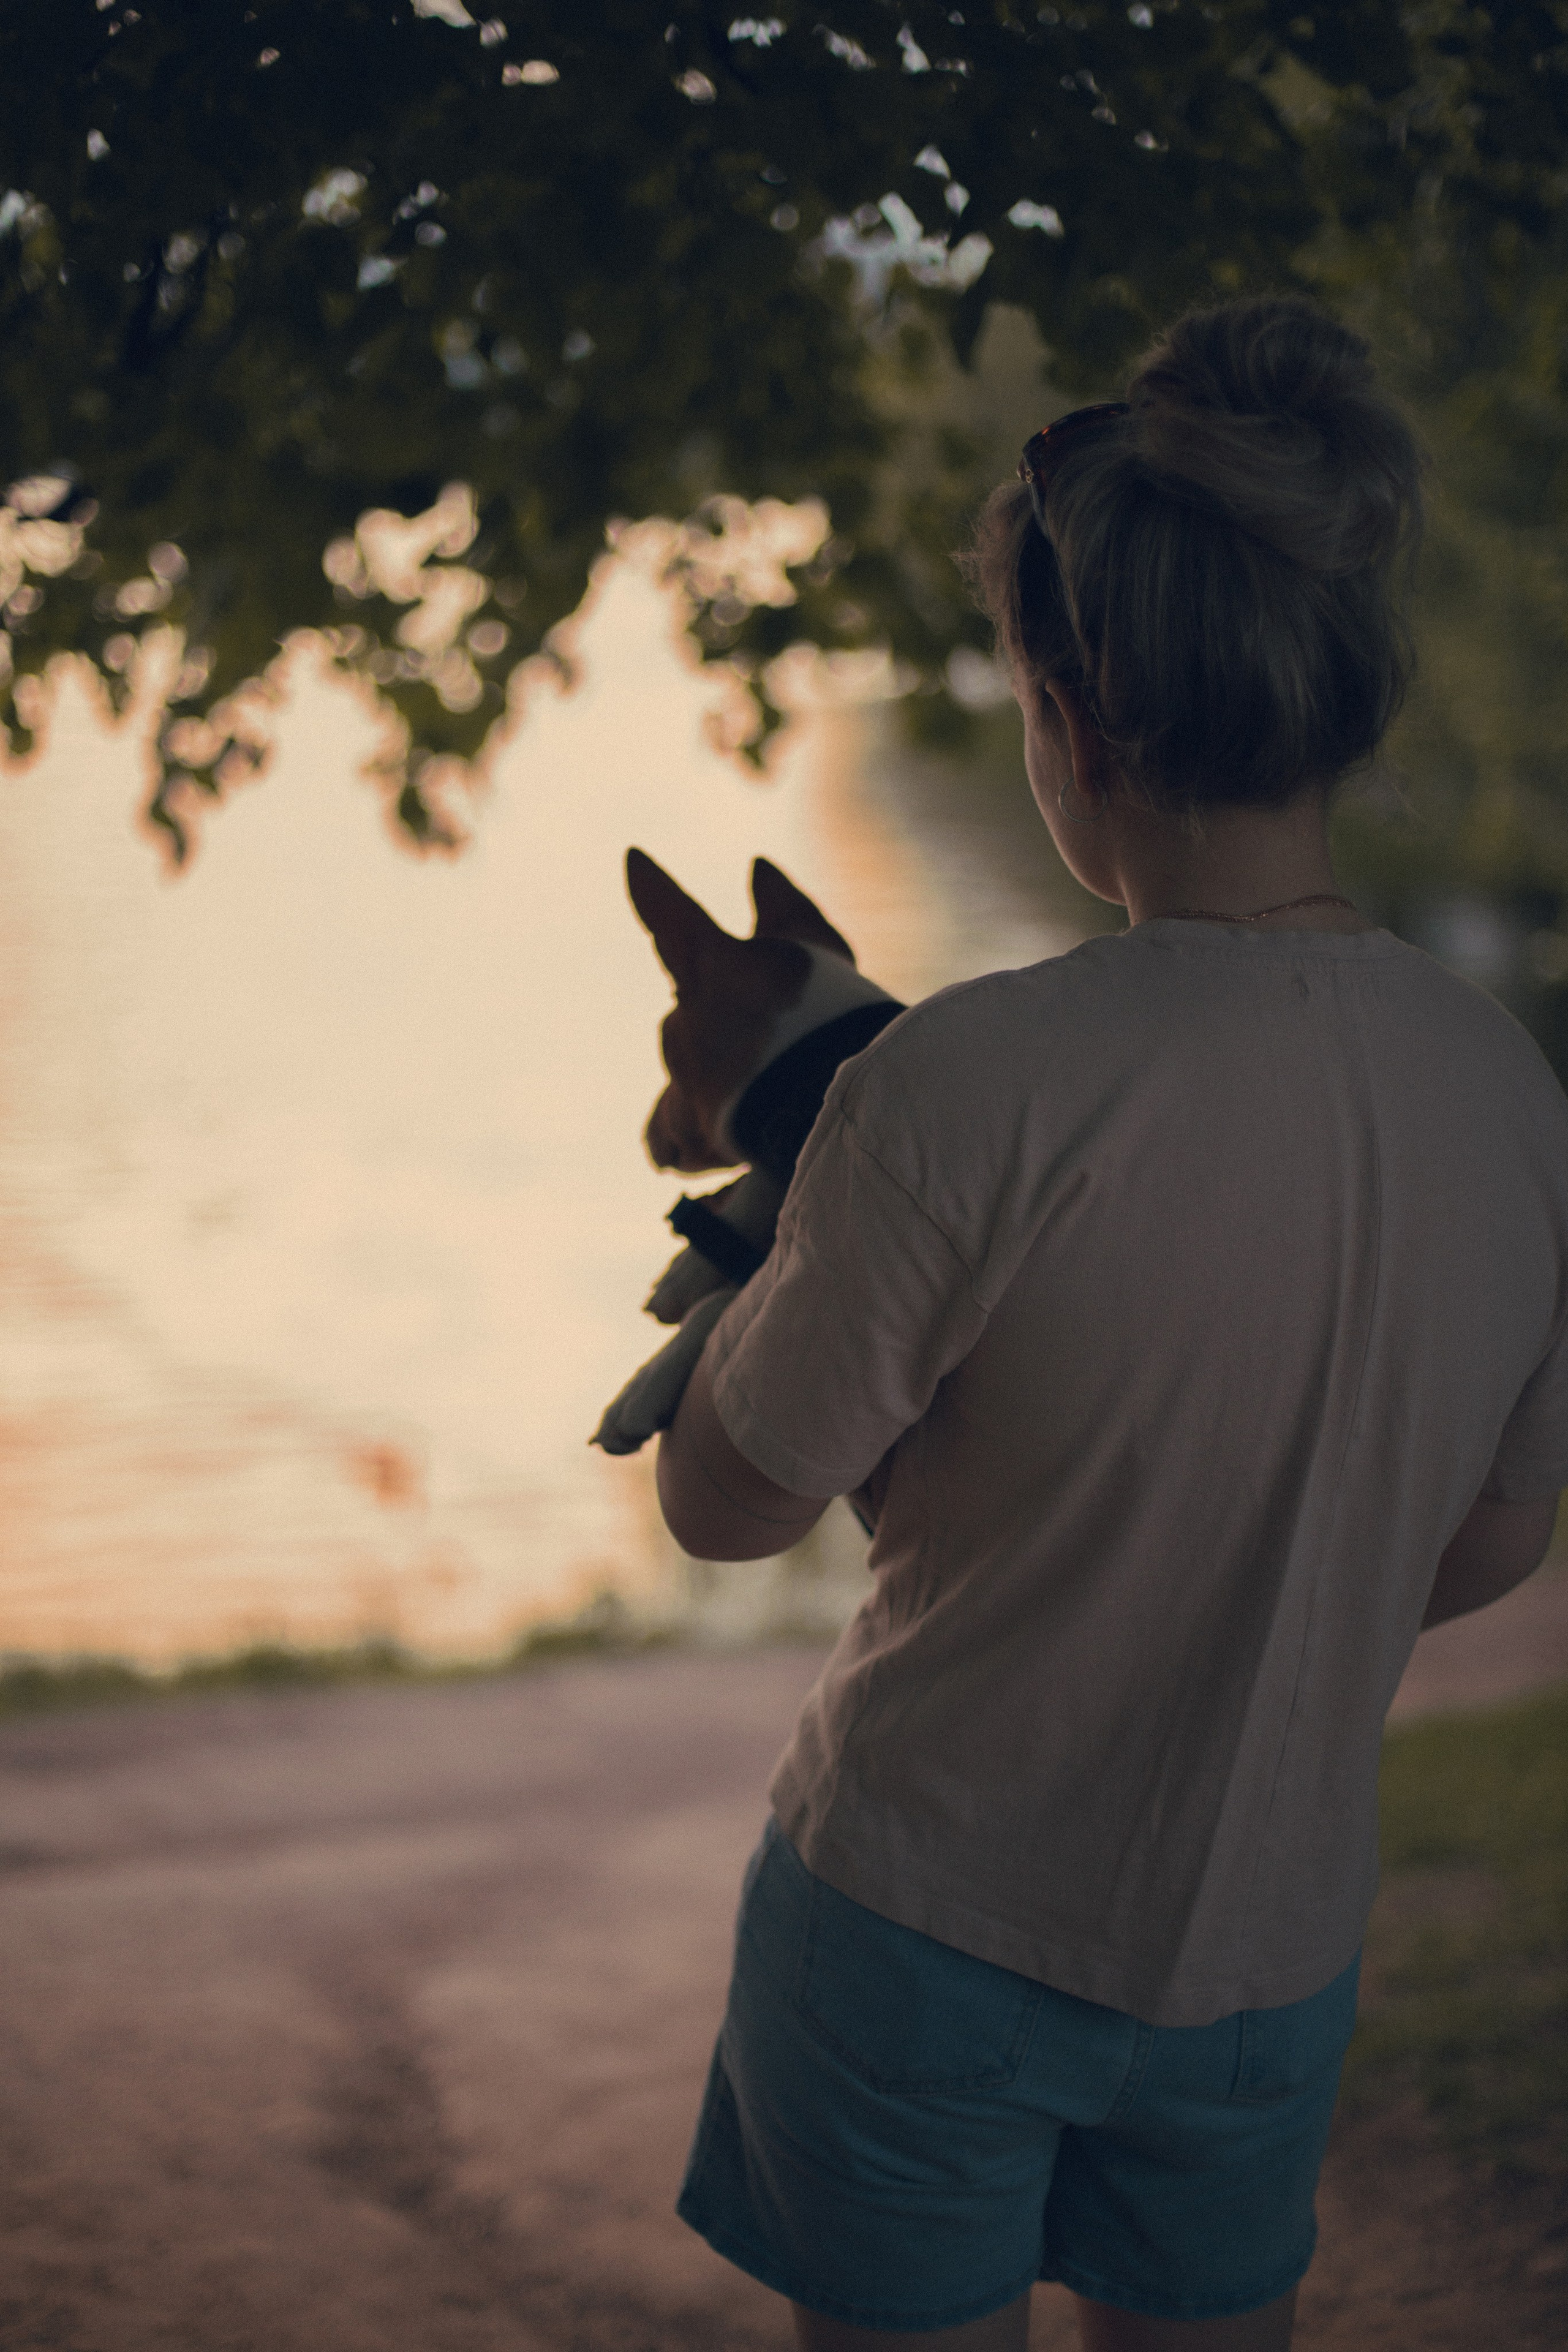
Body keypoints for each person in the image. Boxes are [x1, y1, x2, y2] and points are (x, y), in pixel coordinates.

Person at [655, 295, 1568, 2352]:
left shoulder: (970, 1081)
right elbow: (1489, 1547)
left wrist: (775, 1257)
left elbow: (727, 1509)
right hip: (1266, 1965)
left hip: (918, 1930)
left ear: (1070, 713)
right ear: (1345, 694)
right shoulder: (1512, 1094)